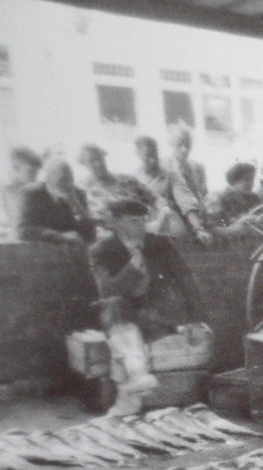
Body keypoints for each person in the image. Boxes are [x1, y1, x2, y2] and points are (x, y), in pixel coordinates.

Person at [88, 199, 208, 415]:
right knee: (114, 304)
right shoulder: (101, 250)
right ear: (115, 223)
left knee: (121, 342)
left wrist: (197, 318)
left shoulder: (160, 244)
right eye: (133, 221)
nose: (141, 226)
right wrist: (134, 262)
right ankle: (137, 376)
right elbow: (107, 290)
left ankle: (132, 389)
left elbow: (186, 280)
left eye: (143, 220)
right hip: (122, 315)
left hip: (155, 315)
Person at [135, 136, 212, 244]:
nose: (153, 160)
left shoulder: (171, 175)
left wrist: (199, 229)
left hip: (169, 223)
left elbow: (186, 201)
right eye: (148, 156)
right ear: (138, 155)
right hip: (142, 224)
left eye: (155, 155)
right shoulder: (135, 178)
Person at [77, 144, 157, 230]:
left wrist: (155, 218)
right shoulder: (82, 191)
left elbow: (155, 200)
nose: (98, 164)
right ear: (84, 165)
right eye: (92, 161)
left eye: (100, 158)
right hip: (108, 237)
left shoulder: (128, 180)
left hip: (141, 230)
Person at [16, 158, 95, 244]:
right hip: (41, 250)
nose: (69, 184)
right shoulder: (31, 194)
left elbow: (90, 236)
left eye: (71, 179)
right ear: (48, 178)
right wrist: (60, 236)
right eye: (63, 179)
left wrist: (77, 206)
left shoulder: (78, 194)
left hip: (70, 252)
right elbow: (23, 230)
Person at [0, 146, 41, 238]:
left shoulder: (32, 192)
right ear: (15, 168)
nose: (35, 178)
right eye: (31, 172)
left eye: (37, 173)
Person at [204, 162, 263, 235]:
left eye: (252, 179)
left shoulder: (253, 197)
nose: (252, 183)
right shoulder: (215, 198)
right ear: (234, 180)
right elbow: (211, 228)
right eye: (247, 179)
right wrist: (233, 230)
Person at [165, 125, 208, 216]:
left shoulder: (199, 168)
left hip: (199, 214)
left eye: (188, 145)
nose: (184, 149)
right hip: (175, 217)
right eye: (179, 144)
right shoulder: (165, 168)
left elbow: (204, 195)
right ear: (171, 144)